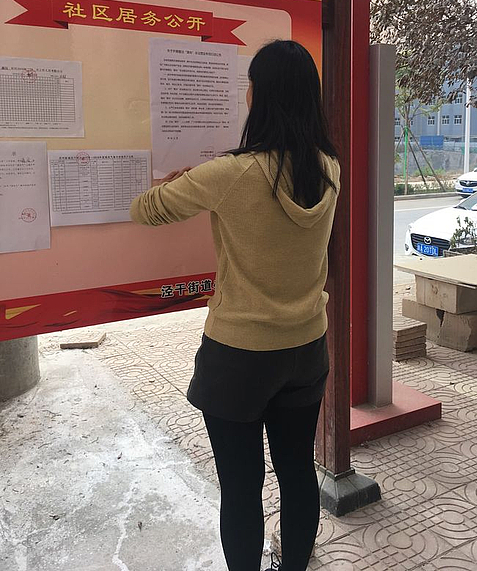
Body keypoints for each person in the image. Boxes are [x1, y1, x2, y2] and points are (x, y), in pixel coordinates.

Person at [130, 39, 340, 571]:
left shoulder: (229, 174)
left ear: (257, 95)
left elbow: (145, 210)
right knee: (297, 473)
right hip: (307, 347)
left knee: (241, 487)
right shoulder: (328, 168)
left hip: (239, 355)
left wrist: (175, 183)